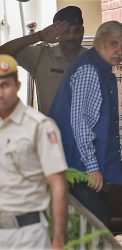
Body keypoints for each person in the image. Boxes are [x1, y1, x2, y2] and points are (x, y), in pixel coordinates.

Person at [49, 21, 122, 226]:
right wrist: (92, 167)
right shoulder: (89, 70)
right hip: (80, 168)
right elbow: (79, 122)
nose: (119, 50)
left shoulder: (100, 69)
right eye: (114, 43)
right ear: (98, 42)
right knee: (95, 229)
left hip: (81, 168)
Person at [0, 54, 68, 249]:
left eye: (5, 85)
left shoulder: (39, 126)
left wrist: (58, 240)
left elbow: (58, 185)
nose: (0, 93)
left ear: (18, 86)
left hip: (28, 235)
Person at [0, 6, 87, 115]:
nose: (72, 36)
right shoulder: (41, 55)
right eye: (66, 31)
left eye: (76, 30)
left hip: (85, 131)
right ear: (57, 33)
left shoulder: (92, 59)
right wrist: (39, 36)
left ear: (83, 31)